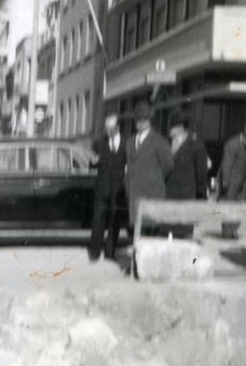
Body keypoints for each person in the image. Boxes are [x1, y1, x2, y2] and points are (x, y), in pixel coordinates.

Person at [125, 100, 173, 237]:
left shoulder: (159, 141)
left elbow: (168, 165)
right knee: (136, 234)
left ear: (150, 120)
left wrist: (154, 177)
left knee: (151, 234)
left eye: (144, 119)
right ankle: (137, 258)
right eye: (138, 119)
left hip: (152, 193)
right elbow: (129, 166)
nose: (140, 122)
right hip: (134, 195)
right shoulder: (129, 142)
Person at [89, 111, 128, 261]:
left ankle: (110, 253)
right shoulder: (98, 143)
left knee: (114, 221)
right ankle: (94, 253)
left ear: (118, 127)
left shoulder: (127, 143)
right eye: (106, 127)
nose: (108, 131)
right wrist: (93, 161)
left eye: (111, 128)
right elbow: (92, 164)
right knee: (97, 221)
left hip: (118, 190)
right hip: (102, 189)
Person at [165, 111, 209, 237]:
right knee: (166, 233)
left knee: (181, 234)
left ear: (180, 128)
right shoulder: (166, 144)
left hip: (185, 196)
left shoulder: (195, 146)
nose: (169, 129)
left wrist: (197, 193)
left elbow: (202, 173)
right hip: (167, 195)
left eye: (172, 126)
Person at [218, 127, 246, 239]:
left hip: (242, 182)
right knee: (229, 207)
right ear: (242, 135)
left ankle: (234, 229)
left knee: (241, 207)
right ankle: (227, 232)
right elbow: (226, 165)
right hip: (231, 181)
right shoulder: (231, 145)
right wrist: (225, 183)